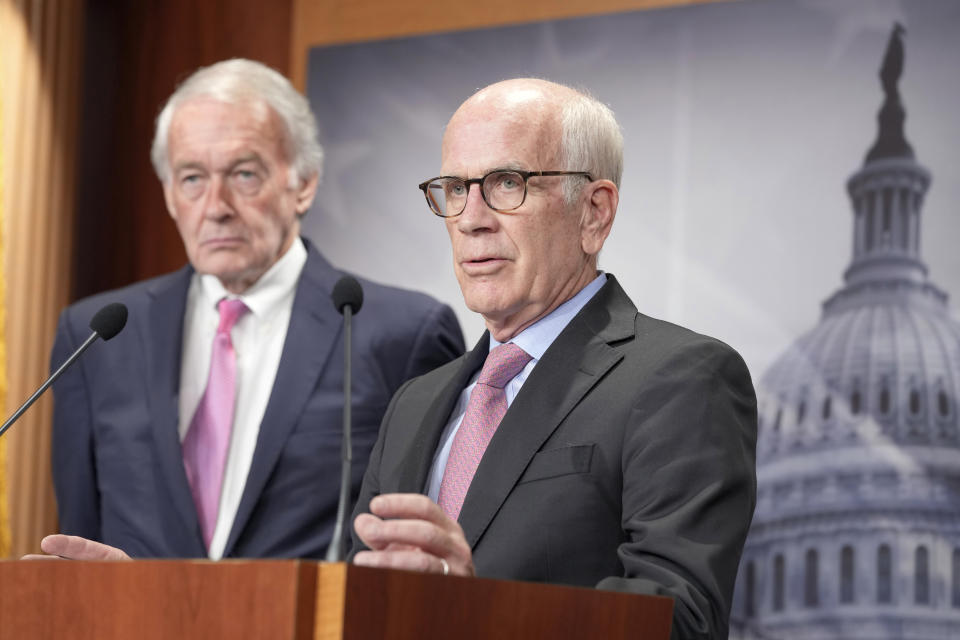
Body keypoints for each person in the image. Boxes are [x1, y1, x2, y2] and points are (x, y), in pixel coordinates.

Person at [349, 78, 757, 639]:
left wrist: (478, 611)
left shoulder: (681, 379)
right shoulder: (414, 404)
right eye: (454, 188)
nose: (470, 218)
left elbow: (679, 620)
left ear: (594, 212)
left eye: (506, 183)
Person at [35, 59, 464, 560]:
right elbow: (79, 544)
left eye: (243, 174)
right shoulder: (97, 337)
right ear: (170, 194)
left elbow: (427, 552)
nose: (215, 205)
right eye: (192, 177)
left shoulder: (399, 334)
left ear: (303, 183)